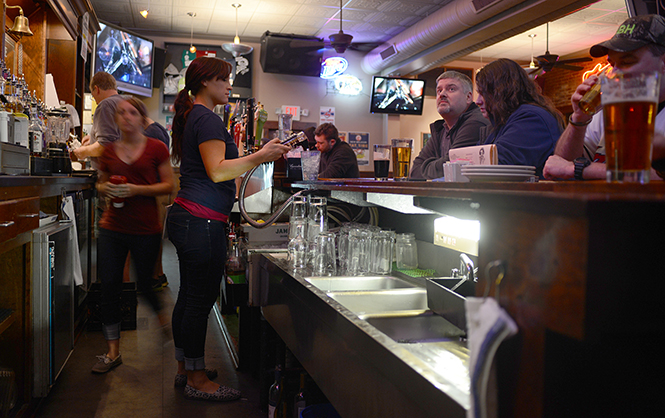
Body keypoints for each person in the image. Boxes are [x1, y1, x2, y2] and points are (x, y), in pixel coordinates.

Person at [167, 56, 291, 402]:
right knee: (199, 302)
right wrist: (261, 156)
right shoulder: (206, 118)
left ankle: (185, 368)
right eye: (223, 80)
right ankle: (196, 379)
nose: (228, 86)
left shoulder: (195, 115)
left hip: (190, 218)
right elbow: (219, 170)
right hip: (201, 221)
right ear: (205, 81)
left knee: (189, 298)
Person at [91, 97, 175, 374]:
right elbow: (100, 183)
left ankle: (166, 324)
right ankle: (112, 352)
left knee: (147, 285)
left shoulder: (156, 148)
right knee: (110, 287)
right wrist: (107, 190)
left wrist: (136, 190)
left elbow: (168, 186)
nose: (126, 117)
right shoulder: (109, 151)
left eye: (132, 113)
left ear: (141, 118)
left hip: (145, 228)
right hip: (112, 227)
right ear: (115, 120)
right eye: (120, 113)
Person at [543, 14, 665, 181]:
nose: (614, 74)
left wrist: (579, 169)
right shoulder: (609, 110)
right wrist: (579, 118)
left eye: (627, 62)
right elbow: (561, 165)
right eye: (612, 65)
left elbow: (657, 179)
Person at [475, 58, 565, 176]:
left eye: (483, 94)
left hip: (542, 194)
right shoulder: (505, 121)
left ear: (501, 92)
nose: (478, 101)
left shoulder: (532, 118)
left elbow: (497, 164)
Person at [410, 71, 490, 179]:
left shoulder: (476, 122)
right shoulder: (441, 129)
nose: (442, 94)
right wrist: (438, 165)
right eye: (439, 90)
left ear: (468, 97)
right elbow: (415, 171)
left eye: (451, 89)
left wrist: (429, 166)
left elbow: (452, 167)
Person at [73, 72, 125, 163]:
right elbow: (116, 139)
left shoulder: (105, 105)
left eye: (93, 96)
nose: (96, 102)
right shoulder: (126, 103)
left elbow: (105, 146)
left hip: (109, 173)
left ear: (96, 89)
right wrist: (93, 139)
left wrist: (83, 151)